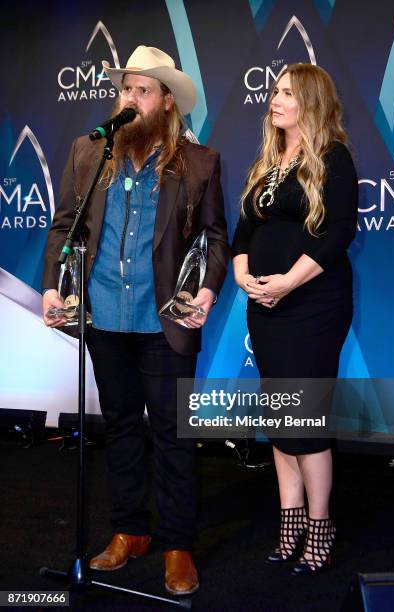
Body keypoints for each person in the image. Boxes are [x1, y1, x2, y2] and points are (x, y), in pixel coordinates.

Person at [42, 45, 229, 595]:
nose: (129, 99)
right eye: (125, 88)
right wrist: (54, 287)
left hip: (164, 321)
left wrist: (209, 290)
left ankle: (176, 543)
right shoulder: (89, 152)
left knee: (172, 435)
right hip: (103, 317)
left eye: (142, 90)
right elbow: (63, 227)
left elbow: (215, 239)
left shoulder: (200, 163)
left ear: (167, 102)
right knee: (121, 428)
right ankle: (130, 530)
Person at [232, 63, 358, 575]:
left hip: (312, 307)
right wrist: (243, 274)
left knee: (304, 421)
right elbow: (242, 232)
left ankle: (321, 523)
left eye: (286, 92)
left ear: (310, 100)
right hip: (266, 309)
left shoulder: (333, 158)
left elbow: (335, 234)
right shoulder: (267, 163)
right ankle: (290, 520)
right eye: (275, 90)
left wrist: (287, 281)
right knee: (280, 420)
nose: (275, 99)